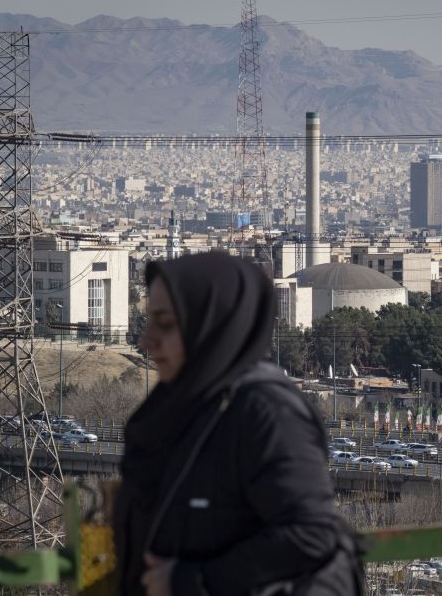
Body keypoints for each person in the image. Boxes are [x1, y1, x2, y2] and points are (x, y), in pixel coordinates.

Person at [114, 252, 361, 596]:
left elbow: (309, 533)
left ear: (212, 325)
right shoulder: (181, 407)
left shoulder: (265, 413)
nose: (147, 340)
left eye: (166, 324)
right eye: (149, 322)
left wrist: (193, 582)